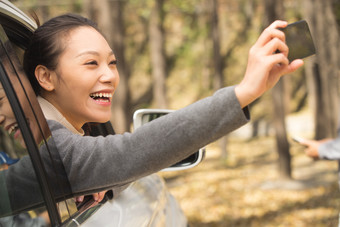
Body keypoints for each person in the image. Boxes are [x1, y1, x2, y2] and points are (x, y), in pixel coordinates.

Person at [5, 13, 303, 212]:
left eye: (112, 62)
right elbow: (132, 151)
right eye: (91, 63)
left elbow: (109, 162)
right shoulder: (58, 151)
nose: (110, 75)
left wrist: (101, 186)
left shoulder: (60, 147)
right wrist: (243, 92)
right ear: (45, 77)